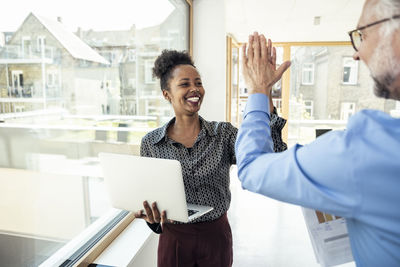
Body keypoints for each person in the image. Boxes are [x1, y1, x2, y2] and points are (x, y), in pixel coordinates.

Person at [235, 0, 400, 266]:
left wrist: (257, 88)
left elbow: (252, 167)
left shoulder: (368, 149)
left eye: (362, 35)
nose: (356, 53)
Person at [134, 50, 287, 267]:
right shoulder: (151, 144)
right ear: (167, 94)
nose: (195, 89)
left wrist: (265, 91)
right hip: (173, 238)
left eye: (198, 82)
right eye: (185, 84)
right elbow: (152, 201)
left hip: (216, 237)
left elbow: (271, 156)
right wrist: (152, 220)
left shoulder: (223, 134)